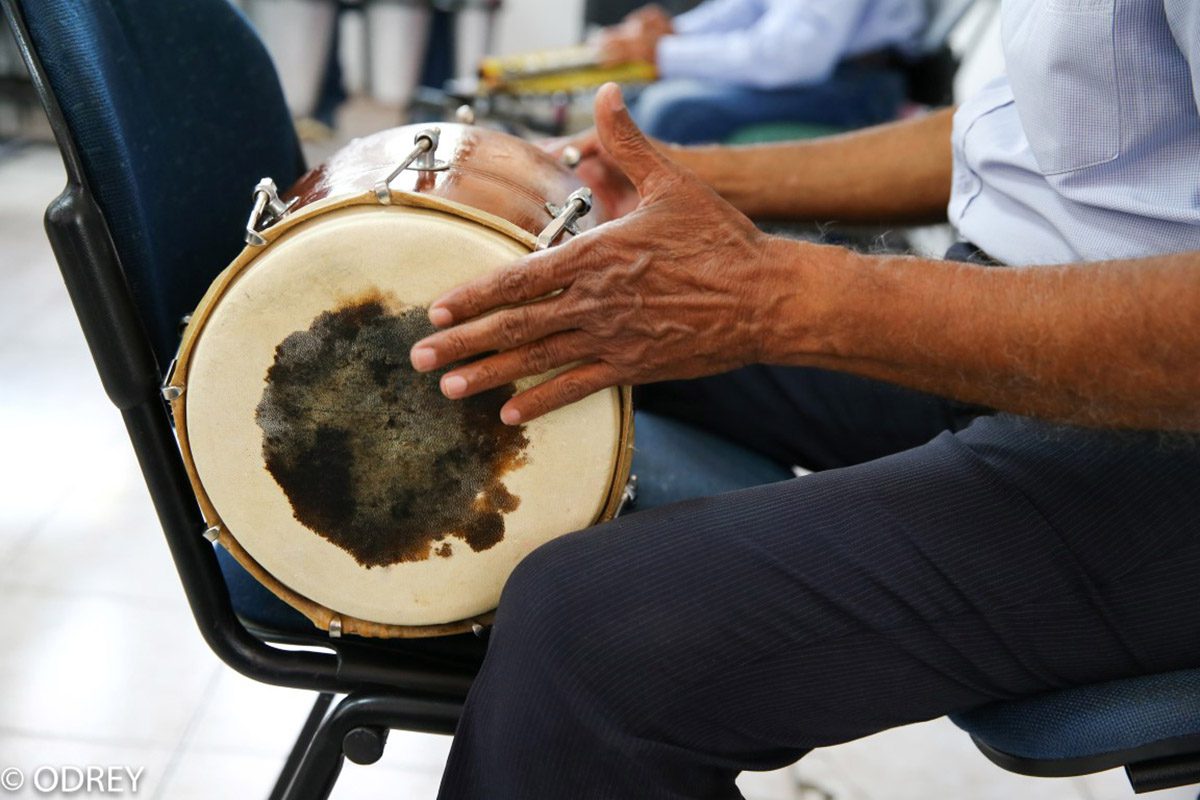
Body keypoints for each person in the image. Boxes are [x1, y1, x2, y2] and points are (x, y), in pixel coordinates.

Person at [417, 0, 1200, 795]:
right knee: (539, 337)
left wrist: (779, 298)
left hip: (1164, 442)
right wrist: (681, 180)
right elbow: (1014, 139)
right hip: (1024, 316)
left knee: (584, 633)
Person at [594, 0, 927, 143]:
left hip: (857, 84)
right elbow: (749, 8)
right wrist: (674, 33)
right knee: (638, 97)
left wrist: (663, 53)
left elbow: (793, 57)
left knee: (670, 112)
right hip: (821, 70)